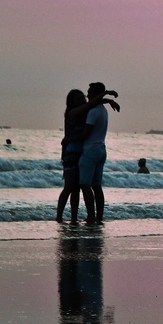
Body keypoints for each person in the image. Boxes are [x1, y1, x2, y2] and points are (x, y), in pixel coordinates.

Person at [57, 88, 119, 223]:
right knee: (69, 187)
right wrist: (106, 96)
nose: (81, 99)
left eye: (82, 97)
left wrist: (106, 100)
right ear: (71, 102)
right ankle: (59, 217)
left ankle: (74, 218)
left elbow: (91, 104)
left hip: (82, 151)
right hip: (72, 152)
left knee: (77, 189)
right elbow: (90, 104)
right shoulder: (72, 113)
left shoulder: (85, 112)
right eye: (77, 98)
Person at [76, 82, 118, 225]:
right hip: (101, 149)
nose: (87, 95)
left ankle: (91, 216)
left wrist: (70, 138)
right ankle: (99, 216)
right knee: (96, 186)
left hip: (91, 150)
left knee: (85, 184)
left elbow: (86, 133)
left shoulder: (93, 111)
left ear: (95, 94)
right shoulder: (103, 110)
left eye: (90, 92)